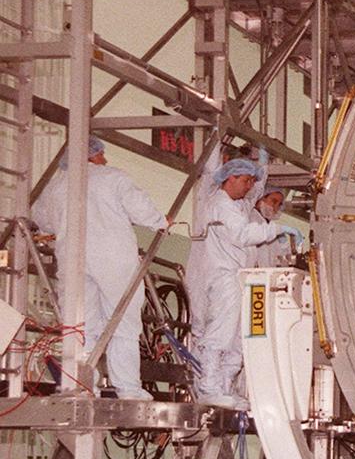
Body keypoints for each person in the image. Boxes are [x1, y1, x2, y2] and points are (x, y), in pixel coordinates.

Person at [31, 137, 169, 399]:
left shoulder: (56, 186)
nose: (104, 160)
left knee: (80, 326)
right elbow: (141, 209)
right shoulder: (113, 177)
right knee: (122, 321)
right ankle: (127, 388)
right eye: (102, 155)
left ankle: (81, 386)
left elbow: (41, 220)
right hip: (113, 259)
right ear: (93, 156)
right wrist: (160, 221)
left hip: (72, 261)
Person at [189, 157, 303, 408]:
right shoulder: (220, 204)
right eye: (246, 180)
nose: (249, 186)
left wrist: (262, 168)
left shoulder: (237, 205)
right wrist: (279, 229)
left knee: (237, 337)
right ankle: (209, 386)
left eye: (252, 181)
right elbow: (242, 234)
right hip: (224, 275)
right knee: (220, 332)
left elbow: (255, 198)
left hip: (238, 276)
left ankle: (225, 387)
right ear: (230, 178)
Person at [248, 186, 295, 269]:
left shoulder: (271, 227)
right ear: (260, 199)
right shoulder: (250, 219)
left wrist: (284, 246)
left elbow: (281, 260)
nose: (276, 207)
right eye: (274, 201)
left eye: (279, 204)